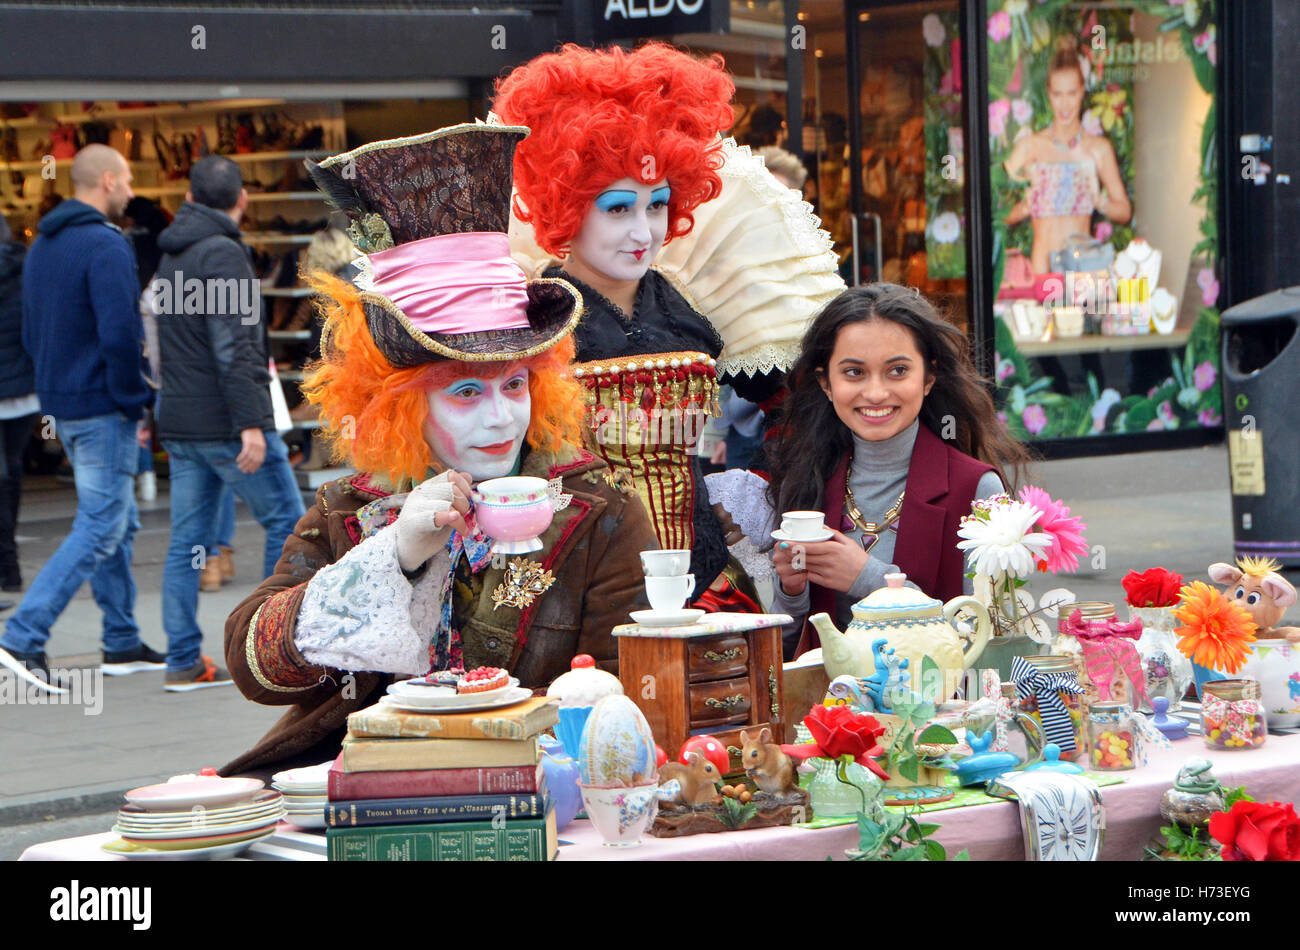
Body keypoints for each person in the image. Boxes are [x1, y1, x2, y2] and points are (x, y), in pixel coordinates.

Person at [217, 124, 656, 778]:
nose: (500, 415)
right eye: (465, 392)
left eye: (515, 384)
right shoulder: (350, 511)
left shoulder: (602, 514)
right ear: (400, 405)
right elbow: (256, 667)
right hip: (364, 794)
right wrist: (390, 556)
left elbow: (625, 706)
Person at [493, 43, 792, 610]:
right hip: (579, 586)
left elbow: (792, 405)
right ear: (564, 205)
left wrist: (749, 490)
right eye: (617, 207)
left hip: (706, 579)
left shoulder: (694, 311)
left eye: (657, 205)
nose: (643, 232)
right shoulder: (534, 318)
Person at [757, 284, 1032, 658]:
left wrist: (870, 578)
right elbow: (784, 653)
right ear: (825, 383)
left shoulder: (976, 487)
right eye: (854, 372)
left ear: (928, 378)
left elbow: (989, 639)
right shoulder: (809, 477)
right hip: (833, 712)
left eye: (897, 371)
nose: (875, 393)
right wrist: (791, 594)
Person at [0, 144, 165, 689]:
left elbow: (29, 330)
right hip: (102, 406)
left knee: (116, 519)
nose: (131, 193)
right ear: (110, 180)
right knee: (100, 524)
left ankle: (120, 639)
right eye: (127, 182)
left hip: (63, 404)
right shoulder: (106, 245)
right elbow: (120, 334)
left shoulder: (43, 244)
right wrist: (132, 398)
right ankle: (22, 635)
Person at [154, 155, 306, 692]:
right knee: (287, 521)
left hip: (182, 420)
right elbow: (233, 345)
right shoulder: (224, 255)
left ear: (190, 198)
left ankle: (182, 660)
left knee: (186, 542)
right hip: (225, 422)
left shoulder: (170, 255)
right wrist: (249, 424)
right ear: (242, 199)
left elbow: (156, 338)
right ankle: (263, 649)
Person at [1004, 36, 1132, 275]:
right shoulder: (1030, 147)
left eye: (1071, 94)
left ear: (1082, 92)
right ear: (1048, 94)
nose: (1064, 105)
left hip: (1084, 272)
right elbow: (994, 212)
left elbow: (1124, 211)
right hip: (1042, 272)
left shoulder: (1098, 149)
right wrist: (1023, 208)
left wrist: (1099, 200)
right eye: (1057, 94)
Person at [0, 215, 37, 596]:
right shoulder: (26, 269)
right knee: (11, 474)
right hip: (20, 391)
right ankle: (9, 569)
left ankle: (6, 566)